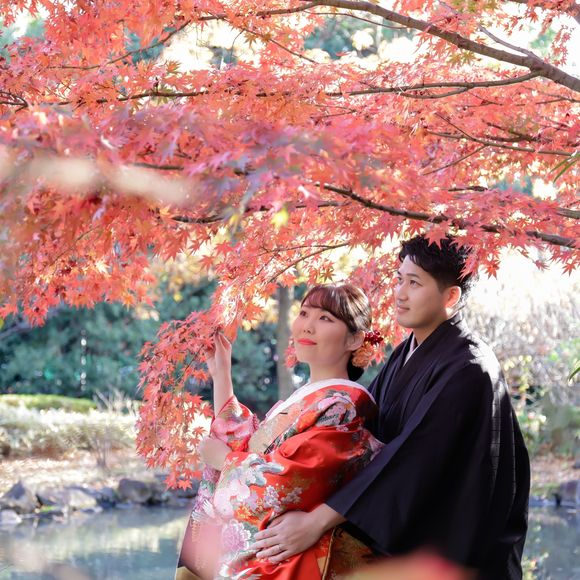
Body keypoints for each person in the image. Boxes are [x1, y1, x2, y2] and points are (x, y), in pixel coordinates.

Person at [253, 235, 531, 580]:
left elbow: (411, 460)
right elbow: (361, 436)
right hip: (411, 535)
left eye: (414, 283)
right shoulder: (407, 352)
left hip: (453, 546)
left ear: (451, 296)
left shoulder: (469, 368)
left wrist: (317, 520)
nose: (399, 293)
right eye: (399, 279)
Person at [175, 284, 384, 580]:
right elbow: (249, 448)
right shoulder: (308, 398)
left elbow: (284, 483)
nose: (307, 326)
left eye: (325, 318)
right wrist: (221, 375)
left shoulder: (344, 405)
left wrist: (224, 461)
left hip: (292, 561)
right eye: (304, 313)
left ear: (355, 339)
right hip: (274, 559)